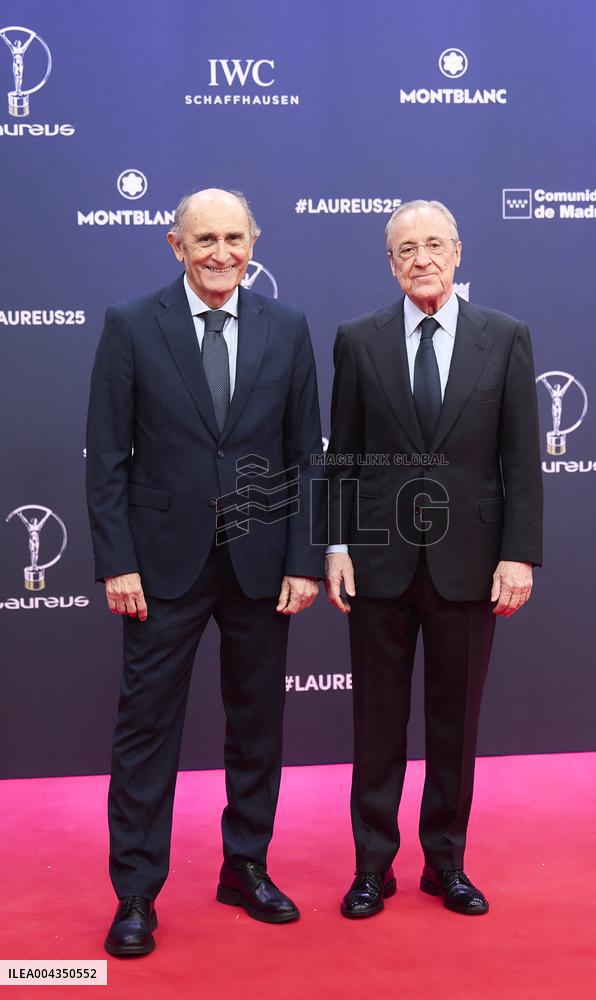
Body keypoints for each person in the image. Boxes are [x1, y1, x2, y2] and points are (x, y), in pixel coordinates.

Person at [86, 188, 323, 956]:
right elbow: (107, 456)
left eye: (234, 237)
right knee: (146, 730)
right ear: (174, 245)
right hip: (161, 565)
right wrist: (117, 561)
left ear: (254, 240)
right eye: (205, 239)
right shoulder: (131, 325)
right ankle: (134, 895)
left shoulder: (287, 329)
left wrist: (303, 558)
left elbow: (304, 457)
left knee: (257, 726)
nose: (222, 253)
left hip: (261, 562)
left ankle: (246, 866)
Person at [325, 200, 542, 919]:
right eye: (405, 249)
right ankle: (372, 867)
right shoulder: (358, 340)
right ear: (389, 262)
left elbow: (520, 459)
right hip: (380, 564)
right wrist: (335, 544)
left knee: (456, 723)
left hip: (469, 564)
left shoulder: (504, 338)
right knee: (377, 725)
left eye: (434, 245)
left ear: (458, 251)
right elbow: (343, 456)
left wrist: (518, 555)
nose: (421, 259)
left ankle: (445, 864)